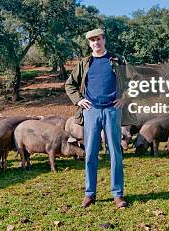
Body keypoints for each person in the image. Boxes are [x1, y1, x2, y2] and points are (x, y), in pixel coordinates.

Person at [64, 28, 127, 209]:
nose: (95, 43)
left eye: (98, 39)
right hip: (91, 111)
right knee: (90, 152)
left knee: (115, 151)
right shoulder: (85, 63)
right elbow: (70, 85)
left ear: (104, 40)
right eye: (92, 41)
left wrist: (124, 97)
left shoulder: (116, 60)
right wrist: (79, 100)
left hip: (112, 111)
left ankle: (117, 194)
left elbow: (134, 80)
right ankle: (89, 194)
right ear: (89, 43)